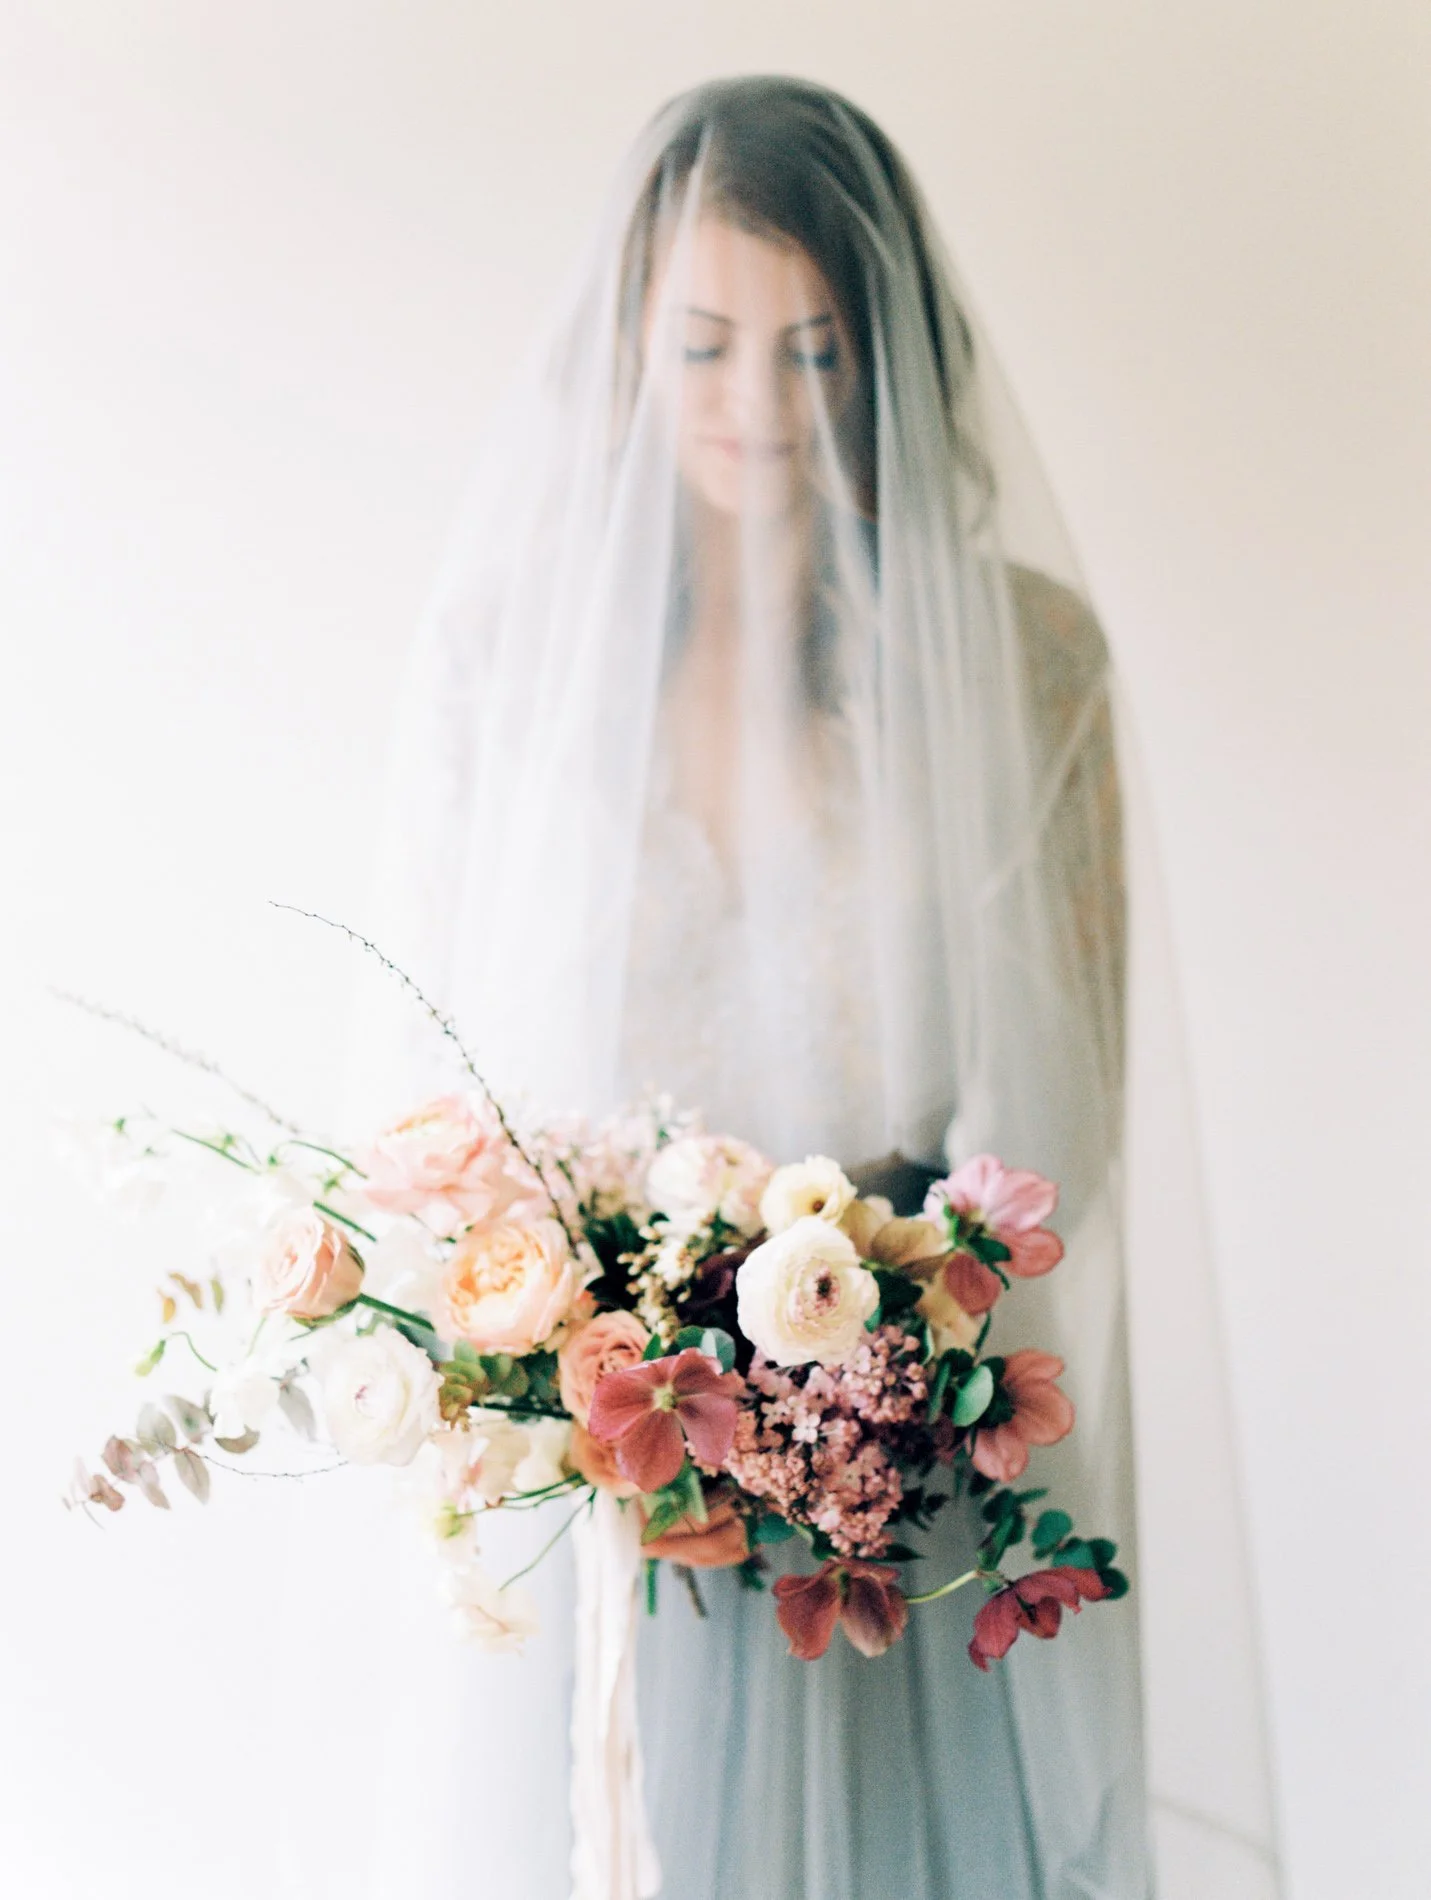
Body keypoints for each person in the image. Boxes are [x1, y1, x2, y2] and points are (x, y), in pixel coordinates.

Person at [361, 75, 1279, 1900]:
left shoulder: (1019, 660)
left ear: (887, 362)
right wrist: (613, 1359)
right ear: (625, 349)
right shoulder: (511, 664)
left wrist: (855, 1381)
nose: (759, 409)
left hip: (909, 1476)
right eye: (704, 346)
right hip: (617, 1466)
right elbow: (439, 1089)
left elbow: (1062, 1113)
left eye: (814, 353)